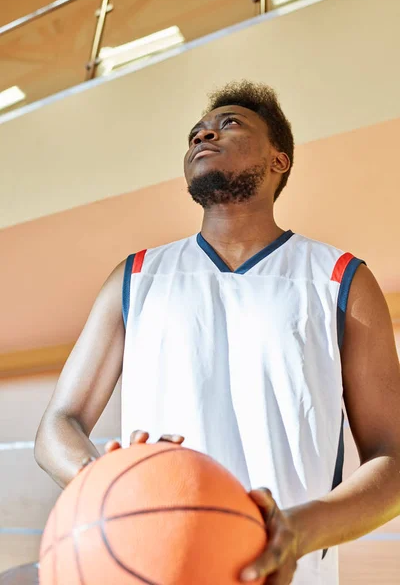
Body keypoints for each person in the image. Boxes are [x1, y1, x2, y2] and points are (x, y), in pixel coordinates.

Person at [35, 81, 400, 584]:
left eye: (229, 124)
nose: (204, 134)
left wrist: (300, 530)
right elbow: (59, 422)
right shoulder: (137, 275)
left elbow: (394, 459)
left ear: (279, 160)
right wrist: (103, 481)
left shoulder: (340, 279)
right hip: (154, 563)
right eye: (196, 133)